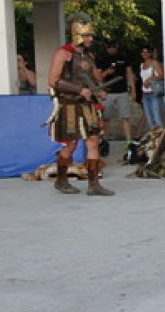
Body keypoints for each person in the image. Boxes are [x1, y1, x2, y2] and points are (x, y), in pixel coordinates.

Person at [44, 12, 114, 196]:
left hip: (88, 105)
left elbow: (95, 78)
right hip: (69, 105)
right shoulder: (63, 53)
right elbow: (53, 80)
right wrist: (78, 89)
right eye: (87, 35)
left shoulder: (89, 55)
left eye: (91, 35)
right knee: (70, 145)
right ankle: (61, 180)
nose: (91, 38)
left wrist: (99, 91)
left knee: (93, 141)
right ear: (78, 35)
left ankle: (94, 185)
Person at [96, 40, 137, 144]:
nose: (112, 48)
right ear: (106, 47)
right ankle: (106, 139)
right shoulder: (102, 59)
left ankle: (129, 140)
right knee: (106, 117)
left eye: (114, 46)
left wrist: (133, 90)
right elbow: (98, 77)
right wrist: (107, 72)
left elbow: (129, 73)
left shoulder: (123, 58)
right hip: (108, 92)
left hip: (122, 91)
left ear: (117, 46)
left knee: (125, 116)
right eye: (109, 46)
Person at [139, 45, 165, 129]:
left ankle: (160, 139)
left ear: (150, 53)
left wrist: (151, 79)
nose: (145, 54)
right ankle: (154, 139)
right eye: (143, 52)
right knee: (150, 120)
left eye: (147, 52)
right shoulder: (141, 65)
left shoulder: (154, 63)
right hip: (145, 94)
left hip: (154, 93)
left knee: (157, 119)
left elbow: (162, 75)